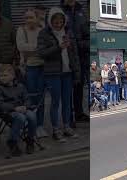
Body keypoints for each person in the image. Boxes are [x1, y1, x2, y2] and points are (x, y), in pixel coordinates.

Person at [37, 7, 80, 142]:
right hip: (53, 73)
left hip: (67, 72)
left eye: (61, 21)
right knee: (55, 101)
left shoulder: (68, 32)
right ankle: (56, 129)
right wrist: (58, 47)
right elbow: (42, 53)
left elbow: (74, 53)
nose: (58, 24)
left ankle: (66, 126)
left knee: (67, 101)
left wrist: (77, 71)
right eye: (55, 21)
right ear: (50, 21)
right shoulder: (44, 34)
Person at [0, 65, 37, 156]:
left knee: (32, 116)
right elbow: (0, 104)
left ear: (13, 76)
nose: (2, 78)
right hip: (7, 112)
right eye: (1, 76)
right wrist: (14, 108)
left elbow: (27, 99)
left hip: (22, 109)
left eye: (5, 75)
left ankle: (30, 140)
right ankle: (12, 142)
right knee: (20, 117)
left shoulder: (20, 86)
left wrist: (25, 106)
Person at [16, 9, 46, 138]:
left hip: (42, 66)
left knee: (41, 97)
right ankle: (31, 126)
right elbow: (21, 47)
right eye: (26, 18)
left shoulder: (41, 30)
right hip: (29, 67)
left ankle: (40, 126)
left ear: (36, 18)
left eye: (31, 17)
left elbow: (44, 46)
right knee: (31, 97)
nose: (29, 20)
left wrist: (32, 49)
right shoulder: (21, 30)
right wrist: (37, 48)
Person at [61, 0, 88, 123]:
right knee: (67, 87)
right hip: (65, 54)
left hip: (81, 55)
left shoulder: (81, 11)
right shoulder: (59, 11)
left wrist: (80, 44)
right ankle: (68, 116)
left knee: (79, 85)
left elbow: (87, 34)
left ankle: (79, 113)